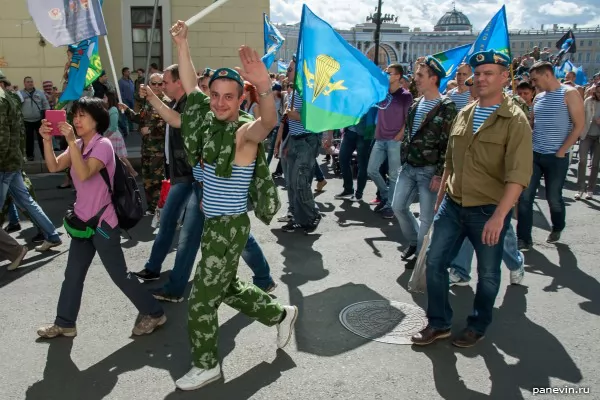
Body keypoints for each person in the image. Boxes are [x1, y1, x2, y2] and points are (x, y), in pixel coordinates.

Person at [172, 20, 296, 391]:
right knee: (225, 289)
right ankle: (279, 314)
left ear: (240, 98)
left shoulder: (244, 132)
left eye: (229, 96)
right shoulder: (209, 124)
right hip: (215, 223)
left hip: (228, 225)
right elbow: (190, 86)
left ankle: (207, 364)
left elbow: (268, 122)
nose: (221, 102)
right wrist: (182, 44)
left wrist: (262, 86)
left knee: (200, 302)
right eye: (215, 96)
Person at [411, 50, 533, 348]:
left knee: (489, 274)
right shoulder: (465, 112)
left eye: (488, 73)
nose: (480, 78)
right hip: (453, 205)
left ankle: (478, 325)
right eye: (477, 74)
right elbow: (451, 162)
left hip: (488, 210)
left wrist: (499, 217)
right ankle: (438, 323)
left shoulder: (514, 121)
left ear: (505, 78)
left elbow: (518, 176)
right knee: (435, 263)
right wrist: (441, 198)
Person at [36, 97, 166, 338]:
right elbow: (54, 166)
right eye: (75, 115)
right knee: (73, 275)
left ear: (97, 119)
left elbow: (84, 173)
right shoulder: (78, 143)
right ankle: (65, 322)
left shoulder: (102, 144)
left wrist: (70, 144)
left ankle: (155, 313)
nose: (76, 120)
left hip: (104, 224)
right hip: (82, 223)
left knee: (119, 275)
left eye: (82, 115)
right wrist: (46, 141)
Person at [392, 56, 457, 261]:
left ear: (433, 79)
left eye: (420, 75)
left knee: (427, 217)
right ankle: (414, 241)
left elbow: (448, 144)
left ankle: (421, 256)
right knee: (398, 207)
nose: (415, 79)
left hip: (430, 171)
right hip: (410, 167)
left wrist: (440, 174)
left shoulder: (447, 106)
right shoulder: (416, 103)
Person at [517, 61, 585, 249]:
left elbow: (579, 125)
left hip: (557, 157)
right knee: (525, 196)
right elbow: (532, 124)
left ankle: (557, 226)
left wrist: (562, 151)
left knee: (553, 197)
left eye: (535, 79)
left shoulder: (569, 94)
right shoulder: (538, 98)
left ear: (547, 74)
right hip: (534, 154)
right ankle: (523, 239)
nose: (533, 83)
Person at [576, 84, 600, 199]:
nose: (598, 94)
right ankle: (580, 188)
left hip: (598, 137)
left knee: (595, 164)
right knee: (582, 161)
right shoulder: (588, 101)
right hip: (586, 135)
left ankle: (590, 189)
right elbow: (581, 117)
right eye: (597, 92)